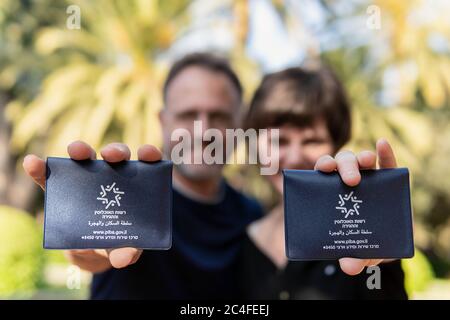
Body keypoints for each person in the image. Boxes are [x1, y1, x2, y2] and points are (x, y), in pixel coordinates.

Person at [22, 53, 401, 299]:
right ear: (162, 121)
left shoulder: (249, 218)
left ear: (241, 126)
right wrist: (87, 247)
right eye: (188, 115)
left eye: (219, 117)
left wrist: (382, 246)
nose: (203, 131)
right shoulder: (133, 204)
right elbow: (95, 253)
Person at [239, 66, 408, 299]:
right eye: (278, 141)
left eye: (312, 140)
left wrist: (384, 250)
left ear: (336, 144)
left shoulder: (359, 235)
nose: (295, 157)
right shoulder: (238, 241)